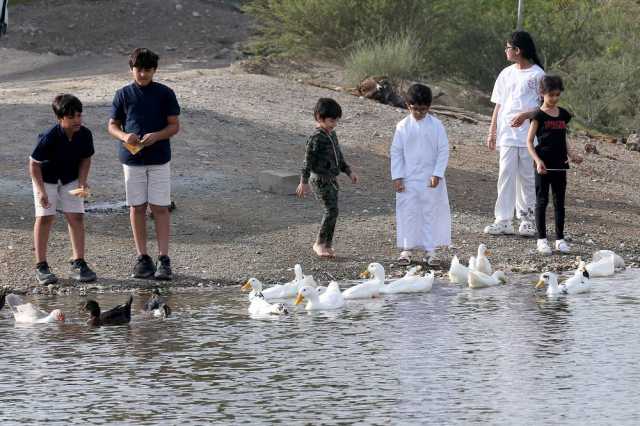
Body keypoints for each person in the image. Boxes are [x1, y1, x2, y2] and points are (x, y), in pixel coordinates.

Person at [108, 48, 180, 280]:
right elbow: (112, 125)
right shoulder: (122, 94)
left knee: (160, 208)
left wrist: (157, 136)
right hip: (132, 159)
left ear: (154, 70)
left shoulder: (165, 93)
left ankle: (163, 258)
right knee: (136, 207)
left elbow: (174, 125)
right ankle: (142, 257)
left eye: (147, 70)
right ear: (131, 69)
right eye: (139, 70)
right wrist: (123, 136)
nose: (142, 74)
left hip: (159, 159)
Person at [30, 94, 97, 284]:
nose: (77, 120)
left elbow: (86, 158)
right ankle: (41, 266)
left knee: (76, 216)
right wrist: (41, 191)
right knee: (45, 217)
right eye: (71, 117)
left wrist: (83, 181)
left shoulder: (85, 134)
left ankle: (79, 262)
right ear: (60, 118)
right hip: (46, 178)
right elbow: (34, 164)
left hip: (70, 177)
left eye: (79, 115)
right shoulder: (48, 137)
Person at [484, 30, 545, 237]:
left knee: (526, 177)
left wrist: (525, 115)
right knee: (506, 175)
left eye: (508, 47)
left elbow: (546, 107)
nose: (506, 51)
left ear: (517, 50)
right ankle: (503, 220)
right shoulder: (506, 73)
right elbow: (498, 105)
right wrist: (492, 131)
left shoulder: (537, 75)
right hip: (507, 135)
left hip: (528, 136)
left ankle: (527, 219)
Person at [390, 84, 451, 266]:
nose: (418, 113)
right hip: (408, 178)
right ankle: (406, 249)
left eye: (423, 109)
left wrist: (437, 173)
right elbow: (396, 152)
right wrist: (398, 176)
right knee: (408, 212)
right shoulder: (402, 126)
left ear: (429, 107)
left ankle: (430, 251)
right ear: (408, 105)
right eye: (415, 109)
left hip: (430, 178)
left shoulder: (436, 125)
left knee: (429, 212)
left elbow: (443, 150)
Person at [526, 75, 582, 255]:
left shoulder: (563, 114)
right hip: (543, 166)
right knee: (542, 201)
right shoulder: (537, 115)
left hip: (560, 165)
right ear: (542, 94)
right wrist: (538, 161)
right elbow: (529, 141)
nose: (555, 98)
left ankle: (560, 239)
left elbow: (563, 137)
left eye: (558, 95)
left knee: (560, 203)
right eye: (551, 95)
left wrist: (571, 153)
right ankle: (542, 240)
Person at [296, 98, 358, 258]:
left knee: (333, 211)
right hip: (319, 179)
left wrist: (349, 172)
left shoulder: (332, 134)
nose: (334, 124)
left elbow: (339, 157)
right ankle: (319, 243)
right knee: (330, 210)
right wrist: (303, 182)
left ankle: (327, 245)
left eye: (336, 120)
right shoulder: (316, 138)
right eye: (331, 120)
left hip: (331, 179)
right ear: (319, 117)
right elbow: (307, 161)